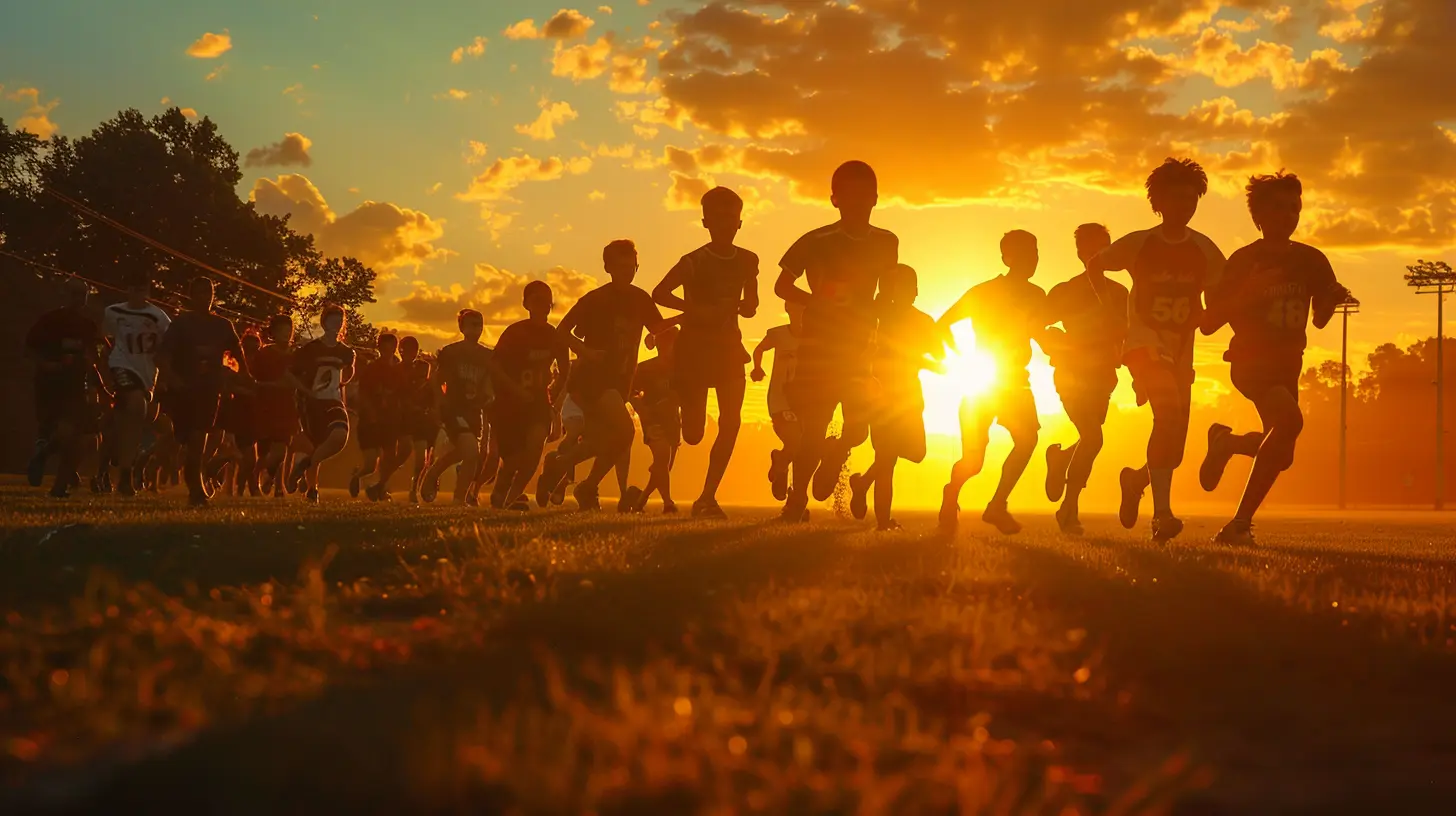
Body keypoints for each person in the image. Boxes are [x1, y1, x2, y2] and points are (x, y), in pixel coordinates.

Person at [1199, 172, 1349, 546]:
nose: (1288, 216)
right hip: (1251, 360)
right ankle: (1238, 525)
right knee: (1289, 421)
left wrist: (1331, 300)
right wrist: (1250, 291)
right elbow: (1209, 323)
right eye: (1279, 208)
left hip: (1288, 363)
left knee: (1281, 454)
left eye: (1294, 208)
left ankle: (1227, 444)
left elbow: (1319, 318)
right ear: (1259, 215)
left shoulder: (1312, 259)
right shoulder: (1244, 260)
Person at [1088, 158, 1225, 542]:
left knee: (1173, 446)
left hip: (1181, 353)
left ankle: (1135, 481)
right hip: (1143, 345)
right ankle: (1162, 516)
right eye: (1176, 198)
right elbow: (1095, 265)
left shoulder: (1205, 249)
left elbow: (1217, 298)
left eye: (1191, 199)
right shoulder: (1140, 242)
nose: (1185, 206)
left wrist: (1209, 313)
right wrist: (1116, 317)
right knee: (1166, 414)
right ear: (1158, 202)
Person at [775, 161, 898, 522]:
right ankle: (796, 502)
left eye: (865, 195)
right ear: (834, 199)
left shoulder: (886, 241)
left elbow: (888, 292)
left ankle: (837, 453)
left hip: (859, 346)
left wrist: (879, 312)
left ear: (876, 198)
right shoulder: (815, 240)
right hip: (818, 347)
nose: (858, 202)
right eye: (849, 195)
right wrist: (816, 302)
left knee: (858, 427)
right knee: (813, 429)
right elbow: (782, 286)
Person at [651, 186, 759, 519]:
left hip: (728, 351)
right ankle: (683, 403)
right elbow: (659, 293)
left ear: (739, 222)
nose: (726, 222)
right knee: (695, 434)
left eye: (732, 216)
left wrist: (745, 306)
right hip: (694, 352)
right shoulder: (693, 261)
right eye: (718, 217)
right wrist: (694, 308)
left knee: (731, 423)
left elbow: (753, 306)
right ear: (705, 221)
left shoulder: (747, 260)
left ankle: (707, 497)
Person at [544, 240, 670, 510]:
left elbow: (659, 327)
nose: (629, 272)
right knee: (625, 431)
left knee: (606, 440)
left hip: (620, 382)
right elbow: (562, 331)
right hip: (592, 380)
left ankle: (570, 473)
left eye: (633, 267)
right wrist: (586, 352)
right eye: (622, 267)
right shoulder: (595, 299)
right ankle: (582, 482)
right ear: (608, 267)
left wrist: (686, 317)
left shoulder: (640, 299)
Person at [937, 230, 1047, 535]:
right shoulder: (983, 292)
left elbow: (1042, 333)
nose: (1033, 259)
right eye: (1025, 253)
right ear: (1006, 258)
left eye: (1036, 252)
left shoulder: (1037, 295)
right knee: (973, 461)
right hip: (982, 383)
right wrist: (957, 355)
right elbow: (943, 323)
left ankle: (997, 504)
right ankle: (951, 494)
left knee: (1027, 440)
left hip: (1016, 382)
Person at [1041, 224, 1129, 535]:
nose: (1096, 255)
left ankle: (1062, 457)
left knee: (1089, 439)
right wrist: (1054, 343)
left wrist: (1132, 368)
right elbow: (1037, 325)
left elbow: (1128, 335)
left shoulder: (1120, 293)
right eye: (1090, 249)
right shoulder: (1065, 291)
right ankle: (1069, 509)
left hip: (1104, 377)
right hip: (1071, 375)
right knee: (1093, 438)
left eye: (1103, 248)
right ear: (1079, 253)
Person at [849, 265, 946, 531]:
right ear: (889, 290)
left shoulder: (924, 320)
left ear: (915, 290)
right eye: (897, 287)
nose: (904, 292)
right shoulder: (879, 317)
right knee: (887, 457)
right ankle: (883, 522)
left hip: (910, 397)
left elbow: (937, 352)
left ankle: (863, 483)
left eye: (908, 286)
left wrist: (935, 358)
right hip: (879, 395)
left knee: (917, 452)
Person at [156, 277, 248, 507]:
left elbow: (238, 353)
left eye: (208, 293)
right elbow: (162, 356)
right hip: (182, 389)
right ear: (191, 295)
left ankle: (196, 491)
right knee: (179, 440)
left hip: (209, 390)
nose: (204, 297)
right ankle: (145, 466)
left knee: (199, 440)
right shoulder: (181, 323)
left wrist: (244, 375)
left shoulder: (223, 325)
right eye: (198, 293)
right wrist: (171, 379)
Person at [490, 281, 571, 510]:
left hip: (537, 402)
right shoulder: (515, 332)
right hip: (510, 404)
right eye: (537, 300)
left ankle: (511, 499)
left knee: (535, 448)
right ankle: (502, 488)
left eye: (547, 300)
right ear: (526, 303)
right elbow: (495, 367)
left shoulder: (553, 335)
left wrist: (553, 399)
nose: (543, 305)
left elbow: (564, 370)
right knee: (514, 461)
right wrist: (514, 389)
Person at [26, 278, 102, 498]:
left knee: (84, 440)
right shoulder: (49, 321)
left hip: (77, 387)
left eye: (83, 294)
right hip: (50, 386)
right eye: (75, 294)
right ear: (64, 295)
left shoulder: (89, 325)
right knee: (67, 433)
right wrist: (51, 365)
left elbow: (95, 355)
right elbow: (29, 351)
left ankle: (57, 483)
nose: (79, 299)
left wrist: (93, 367)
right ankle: (50, 467)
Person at [100, 272, 171, 497]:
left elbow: (168, 347)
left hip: (147, 375)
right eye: (133, 288)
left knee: (128, 422)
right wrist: (104, 372)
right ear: (127, 290)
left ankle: (104, 468)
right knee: (136, 408)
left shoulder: (158, 317)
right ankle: (125, 475)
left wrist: (166, 375)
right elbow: (106, 340)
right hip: (121, 367)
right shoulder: (114, 312)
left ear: (148, 292)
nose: (137, 294)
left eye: (141, 289)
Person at [420, 309, 496, 505]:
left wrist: (489, 398)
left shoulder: (488, 355)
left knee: (469, 454)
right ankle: (457, 499)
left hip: (474, 411)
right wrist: (439, 403)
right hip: (454, 408)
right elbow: (436, 379)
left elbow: (488, 383)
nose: (476, 328)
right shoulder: (451, 352)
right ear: (462, 327)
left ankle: (438, 476)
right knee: (470, 451)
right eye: (471, 324)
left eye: (479, 324)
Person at [285, 305, 356, 502]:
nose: (336, 325)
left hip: (334, 400)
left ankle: (304, 464)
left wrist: (344, 374)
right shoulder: (310, 348)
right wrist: (306, 390)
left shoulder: (346, 351)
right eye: (332, 321)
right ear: (324, 323)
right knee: (316, 443)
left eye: (340, 322)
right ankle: (312, 489)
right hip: (312, 402)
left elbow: (348, 376)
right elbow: (289, 373)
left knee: (340, 436)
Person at [751, 301, 804, 503]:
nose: (800, 314)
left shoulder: (812, 337)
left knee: (802, 446)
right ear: (788, 310)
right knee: (796, 442)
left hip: (803, 400)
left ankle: (787, 477)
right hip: (780, 399)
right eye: (796, 309)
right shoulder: (778, 334)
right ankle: (782, 464)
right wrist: (757, 368)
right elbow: (759, 349)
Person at [625, 327, 682, 514]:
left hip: (673, 420)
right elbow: (630, 392)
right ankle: (668, 504)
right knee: (662, 457)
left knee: (663, 466)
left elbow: (688, 393)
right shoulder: (645, 368)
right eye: (663, 342)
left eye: (671, 341)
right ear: (656, 344)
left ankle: (640, 501)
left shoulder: (681, 369)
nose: (667, 346)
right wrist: (641, 409)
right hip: (652, 419)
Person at [351, 333, 410, 502]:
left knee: (389, 456)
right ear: (379, 348)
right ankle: (358, 475)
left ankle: (381, 488)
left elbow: (403, 393)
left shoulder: (399, 369)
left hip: (390, 420)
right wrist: (371, 412)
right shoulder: (372, 369)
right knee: (370, 463)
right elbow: (363, 394)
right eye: (385, 347)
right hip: (371, 420)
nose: (389, 350)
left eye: (392, 346)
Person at [252, 314, 306, 496]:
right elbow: (254, 380)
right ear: (273, 333)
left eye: (288, 330)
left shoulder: (297, 355)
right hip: (266, 405)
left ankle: (276, 485)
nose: (286, 334)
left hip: (288, 406)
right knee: (266, 451)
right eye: (281, 331)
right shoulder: (264, 354)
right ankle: (257, 477)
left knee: (282, 449)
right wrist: (274, 385)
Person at [398, 336, 437, 503]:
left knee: (426, 458)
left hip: (425, 423)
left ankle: (419, 487)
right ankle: (410, 488)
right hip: (408, 421)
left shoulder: (427, 380)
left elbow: (434, 400)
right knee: (411, 456)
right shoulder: (403, 377)